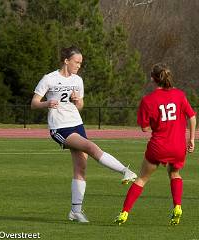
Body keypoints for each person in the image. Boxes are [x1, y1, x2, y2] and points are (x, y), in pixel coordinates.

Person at [31, 46, 137, 223]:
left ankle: (75, 211)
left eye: (81, 63)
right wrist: (47, 103)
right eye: (76, 62)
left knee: (81, 167)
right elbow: (34, 103)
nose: (79, 65)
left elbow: (80, 106)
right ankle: (125, 171)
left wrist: (77, 101)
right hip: (60, 127)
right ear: (66, 61)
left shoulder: (78, 80)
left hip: (77, 124)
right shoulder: (49, 78)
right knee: (90, 147)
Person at [114, 63, 196, 226]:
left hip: (158, 147)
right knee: (175, 174)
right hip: (178, 146)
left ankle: (124, 213)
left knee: (142, 178)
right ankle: (177, 206)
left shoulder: (148, 100)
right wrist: (192, 139)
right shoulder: (179, 95)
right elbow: (192, 117)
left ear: (153, 79)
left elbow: (145, 128)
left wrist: (158, 124)